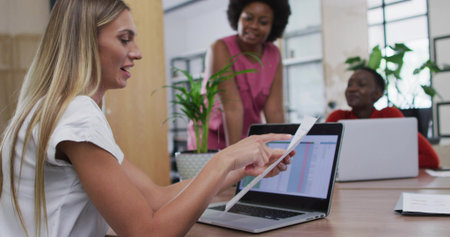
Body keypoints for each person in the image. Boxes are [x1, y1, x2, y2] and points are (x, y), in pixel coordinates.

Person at [0, 1, 295, 236]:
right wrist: (224, 158)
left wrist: (241, 169)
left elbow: (155, 197)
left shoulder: (50, 108)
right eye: (124, 39)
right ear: (85, 42)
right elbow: (148, 233)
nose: (137, 53)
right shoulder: (78, 116)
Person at [187, 0, 291, 151]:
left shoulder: (273, 54)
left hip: (248, 138)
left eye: (263, 22)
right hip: (210, 140)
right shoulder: (220, 48)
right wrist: (235, 157)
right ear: (238, 17)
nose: (254, 26)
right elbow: (232, 108)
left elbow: (274, 111)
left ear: (273, 25)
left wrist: (284, 150)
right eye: (248, 18)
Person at [326, 67, 440, 169]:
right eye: (349, 84)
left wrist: (381, 166)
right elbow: (323, 159)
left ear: (377, 94)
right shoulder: (337, 118)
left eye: (361, 84)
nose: (352, 89)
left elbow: (431, 159)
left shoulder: (389, 115)